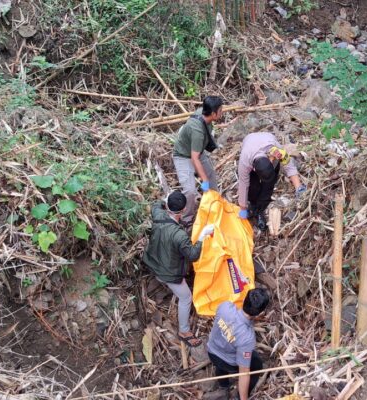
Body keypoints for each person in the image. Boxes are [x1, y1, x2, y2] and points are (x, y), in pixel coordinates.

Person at [142, 190, 214, 347]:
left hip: (152, 262)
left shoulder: (158, 214)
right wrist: (203, 235)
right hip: (167, 273)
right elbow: (193, 255)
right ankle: (184, 330)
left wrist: (165, 199)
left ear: (167, 205)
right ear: (182, 211)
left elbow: (156, 204)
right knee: (186, 297)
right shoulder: (179, 235)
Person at [207, 288, 270, 400]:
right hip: (228, 362)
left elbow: (235, 322)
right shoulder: (247, 338)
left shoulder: (225, 306)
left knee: (220, 362)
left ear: (245, 299)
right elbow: (244, 372)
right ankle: (238, 397)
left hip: (212, 351)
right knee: (257, 366)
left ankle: (224, 386)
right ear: (260, 312)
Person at [236, 132, 306, 231]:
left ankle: (260, 210)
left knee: (268, 185)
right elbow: (243, 184)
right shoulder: (245, 161)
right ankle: (254, 205)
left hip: (267, 141)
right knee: (253, 188)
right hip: (250, 142)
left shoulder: (277, 151)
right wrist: (242, 208)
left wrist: (299, 187)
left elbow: (289, 167)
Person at [172, 96, 224, 225]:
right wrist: (204, 180)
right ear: (213, 113)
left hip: (197, 151)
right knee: (190, 191)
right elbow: (194, 159)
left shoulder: (204, 113)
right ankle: (186, 218)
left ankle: (214, 204)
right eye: (220, 110)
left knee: (211, 174)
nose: (222, 113)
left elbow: (197, 155)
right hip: (183, 156)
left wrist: (207, 178)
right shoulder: (197, 131)